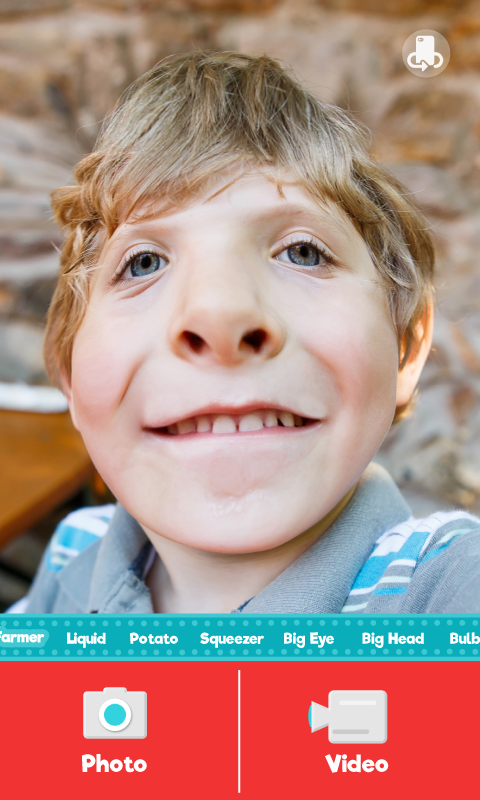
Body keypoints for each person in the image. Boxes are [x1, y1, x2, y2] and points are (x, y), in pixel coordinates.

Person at [17, 52, 480, 614]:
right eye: (143, 263)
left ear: (406, 346)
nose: (219, 314)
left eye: (303, 252)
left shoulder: (451, 591)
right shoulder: (72, 552)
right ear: (69, 376)